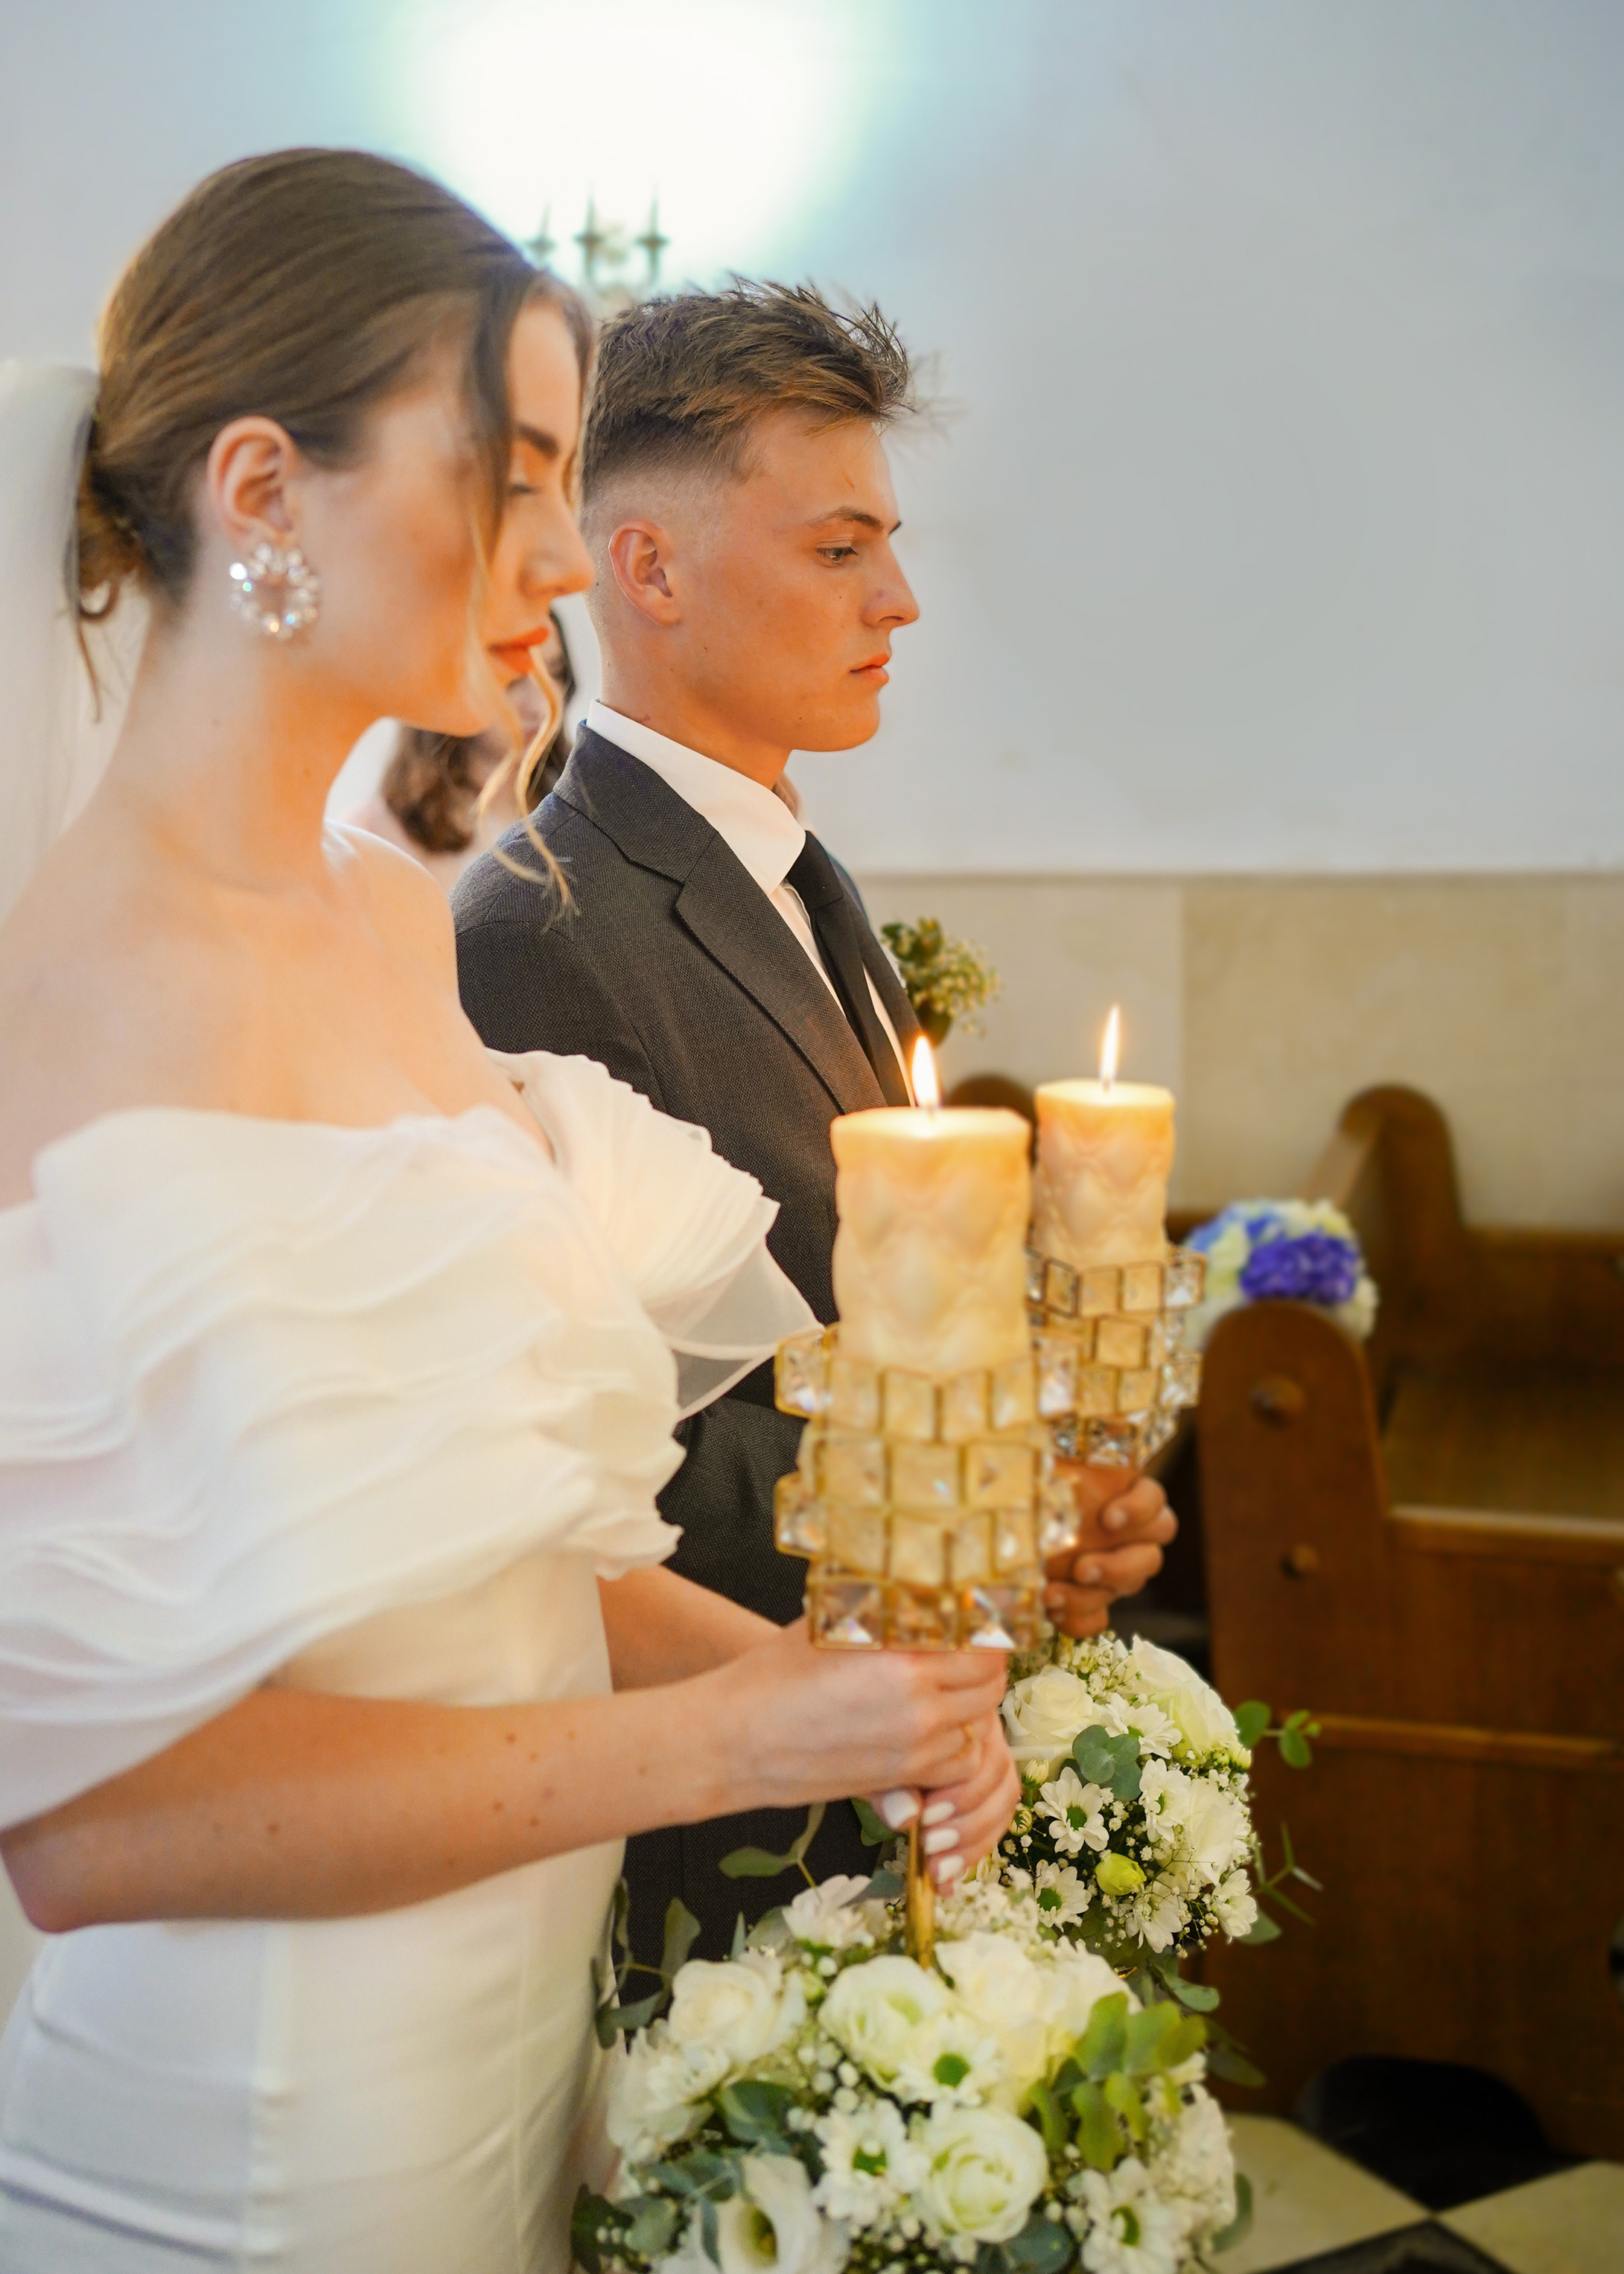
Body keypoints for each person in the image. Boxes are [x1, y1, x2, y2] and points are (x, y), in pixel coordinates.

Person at [0, 153, 1020, 2274]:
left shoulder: (381, 904)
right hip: (260, 2173)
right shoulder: (96, 983)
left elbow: (493, 1556)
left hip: (505, 2078)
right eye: (509, 475)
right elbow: (97, 1823)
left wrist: (843, 1687)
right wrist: (734, 1746)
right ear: (263, 491)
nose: (557, 551)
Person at [453, 281, 1177, 1979]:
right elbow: (557, 1452)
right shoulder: (536, 928)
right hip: (717, 1830)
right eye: (839, 546)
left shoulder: (783, 865)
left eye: (887, 544)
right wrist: (970, 1507)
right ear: (645, 568)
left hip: (873, 1749)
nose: (899, 598)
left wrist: (1036, 1501)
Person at [340, 608, 575, 890]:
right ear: (455, 681)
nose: (540, 705)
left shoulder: (575, 805)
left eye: (556, 674)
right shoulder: (375, 833)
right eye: (513, 681)